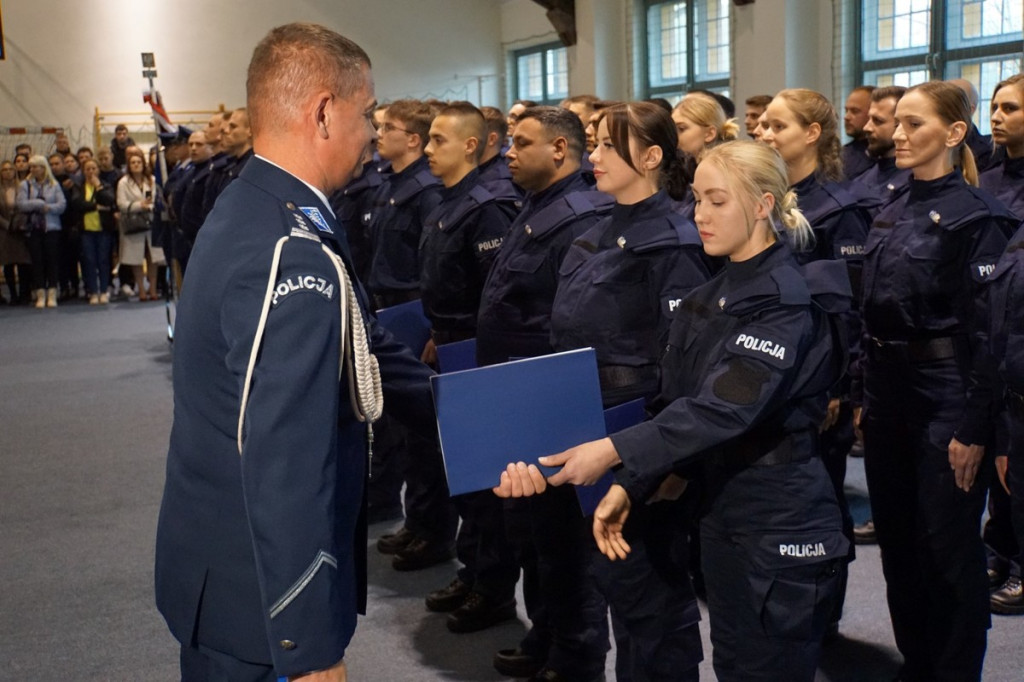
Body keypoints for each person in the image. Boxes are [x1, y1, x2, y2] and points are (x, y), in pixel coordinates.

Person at [498, 139, 852, 682]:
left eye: (717, 201)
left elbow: (721, 410)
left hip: (778, 516)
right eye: (696, 200)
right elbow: (674, 403)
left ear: (761, 206)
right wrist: (632, 485)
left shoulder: (783, 301)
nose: (699, 216)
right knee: (735, 661)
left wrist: (613, 451)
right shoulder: (712, 295)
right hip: (724, 508)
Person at [154, 22, 436, 682]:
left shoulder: (262, 207)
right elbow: (284, 458)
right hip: (259, 601)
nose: (370, 132)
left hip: (223, 566)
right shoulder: (289, 251)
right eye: (365, 113)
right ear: (323, 111)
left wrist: (482, 416)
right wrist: (306, 644)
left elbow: (361, 345)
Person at [546, 101, 712, 682]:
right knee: (609, 579)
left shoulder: (675, 242)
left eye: (608, 147)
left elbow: (684, 367)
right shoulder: (595, 231)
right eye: (592, 144)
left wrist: (669, 459)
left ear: (651, 156)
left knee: (651, 600)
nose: (593, 156)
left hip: (640, 429)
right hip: (585, 422)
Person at [857, 80, 1017, 682]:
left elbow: (989, 335)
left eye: (914, 124)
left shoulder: (981, 218)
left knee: (945, 547)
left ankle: (953, 672)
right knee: (898, 544)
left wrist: (976, 426)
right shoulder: (891, 204)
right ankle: (917, 663)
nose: (898, 134)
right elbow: (867, 309)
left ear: (953, 134)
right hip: (887, 391)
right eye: (896, 123)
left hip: (945, 390)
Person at [478, 105, 614, 681]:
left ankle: (577, 656)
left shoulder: (582, 215)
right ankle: (547, 634)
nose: (508, 151)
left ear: (560, 150)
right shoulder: (538, 206)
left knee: (563, 540)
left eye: (522, 142)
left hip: (551, 395)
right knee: (531, 533)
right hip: (521, 391)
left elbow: (573, 319)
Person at [418, 101, 519, 633]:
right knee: (462, 473)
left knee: (484, 480)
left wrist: (466, 343)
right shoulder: (449, 200)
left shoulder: (489, 206)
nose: (428, 149)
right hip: (450, 344)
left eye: (438, 140)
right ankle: (473, 569)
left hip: (477, 352)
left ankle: (494, 587)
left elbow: (493, 295)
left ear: (472, 146)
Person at [980, 72, 1024, 613]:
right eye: (994, 106)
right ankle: (1000, 548)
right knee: (999, 460)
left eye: (1010, 108)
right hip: (991, 336)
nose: (997, 116)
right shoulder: (988, 179)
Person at [670, 92, 740, 217]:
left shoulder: (726, 172)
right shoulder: (686, 170)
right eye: (672, 130)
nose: (674, 137)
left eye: (681, 129)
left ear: (709, 134)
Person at [16, 155, 66, 308]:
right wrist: (39, 204)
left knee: (52, 261)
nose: (32, 169)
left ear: (43, 168)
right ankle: (40, 293)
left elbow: (62, 205)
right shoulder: (25, 185)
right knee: (37, 261)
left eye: (35, 166)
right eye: (30, 167)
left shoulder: (54, 184)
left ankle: (52, 293)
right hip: (33, 229)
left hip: (51, 228)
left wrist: (48, 208)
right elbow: (21, 204)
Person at [116, 148, 164, 301]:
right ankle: (141, 289)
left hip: (151, 222)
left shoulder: (152, 180)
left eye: (138, 162)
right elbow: (121, 204)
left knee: (153, 258)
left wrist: (148, 206)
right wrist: (139, 205)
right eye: (133, 163)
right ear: (129, 166)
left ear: (143, 163)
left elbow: (157, 200)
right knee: (136, 259)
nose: (136, 165)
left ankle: (153, 289)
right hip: (133, 224)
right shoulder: (123, 182)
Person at [77, 158, 116, 304]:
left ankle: (104, 290)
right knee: (89, 261)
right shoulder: (79, 187)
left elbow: (109, 200)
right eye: (88, 169)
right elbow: (78, 204)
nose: (91, 171)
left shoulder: (105, 185)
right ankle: (93, 291)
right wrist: (95, 207)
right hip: (86, 230)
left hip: (103, 229)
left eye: (93, 168)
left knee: (103, 260)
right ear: (83, 171)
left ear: (98, 170)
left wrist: (98, 187)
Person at [0, 160, 32, 305]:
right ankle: (13, 295)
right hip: (4, 231)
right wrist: (7, 224)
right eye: (4, 170)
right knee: (8, 264)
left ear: (15, 171)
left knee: (23, 263)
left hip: (20, 230)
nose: (7, 172)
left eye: (10, 169)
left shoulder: (23, 187)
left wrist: (19, 224)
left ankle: (25, 294)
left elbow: (26, 206)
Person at [841, 85, 875, 179]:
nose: (846, 117)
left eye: (855, 111)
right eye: (846, 111)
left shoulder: (882, 156)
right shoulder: (840, 154)